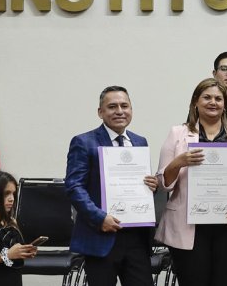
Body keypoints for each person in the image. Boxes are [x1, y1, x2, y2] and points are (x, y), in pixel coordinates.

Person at [155, 78, 227, 286]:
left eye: (218, 99)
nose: (213, 102)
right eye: (207, 97)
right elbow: (163, 183)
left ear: (224, 104)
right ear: (196, 101)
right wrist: (178, 162)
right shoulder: (178, 134)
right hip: (189, 227)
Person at [65, 86, 159, 286]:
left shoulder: (140, 142)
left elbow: (141, 184)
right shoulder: (83, 142)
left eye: (124, 106)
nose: (119, 111)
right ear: (100, 112)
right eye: (112, 106)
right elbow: (74, 187)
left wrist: (152, 185)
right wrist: (100, 218)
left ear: (131, 110)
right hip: (101, 235)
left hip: (136, 237)